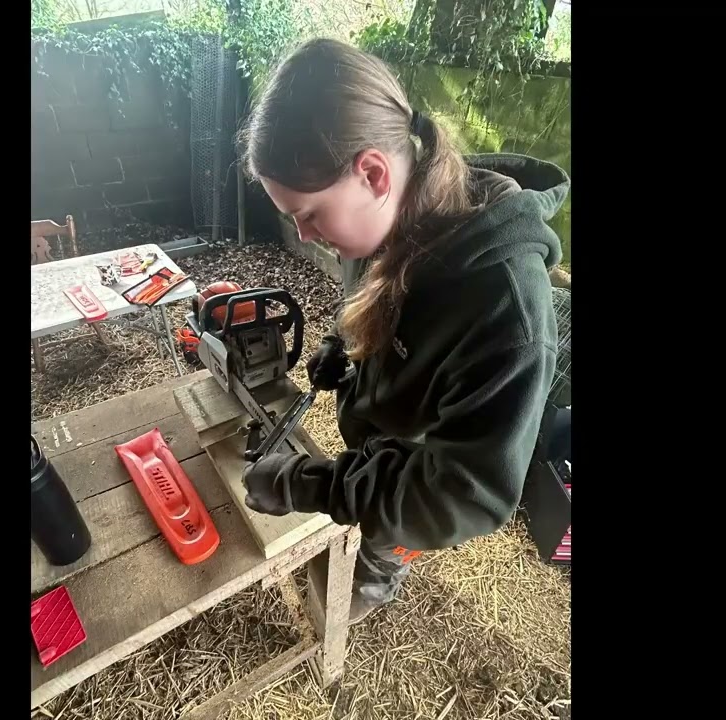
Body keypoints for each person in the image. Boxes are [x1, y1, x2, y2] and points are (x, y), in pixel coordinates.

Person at [238, 38, 570, 622]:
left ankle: (369, 584)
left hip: (422, 470)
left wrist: (314, 487)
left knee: (383, 541)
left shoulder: (506, 308)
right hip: (380, 429)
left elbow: (463, 495)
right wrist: (340, 344)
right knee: (371, 483)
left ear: (371, 172)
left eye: (310, 215)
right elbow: (371, 301)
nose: (307, 236)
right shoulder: (383, 217)